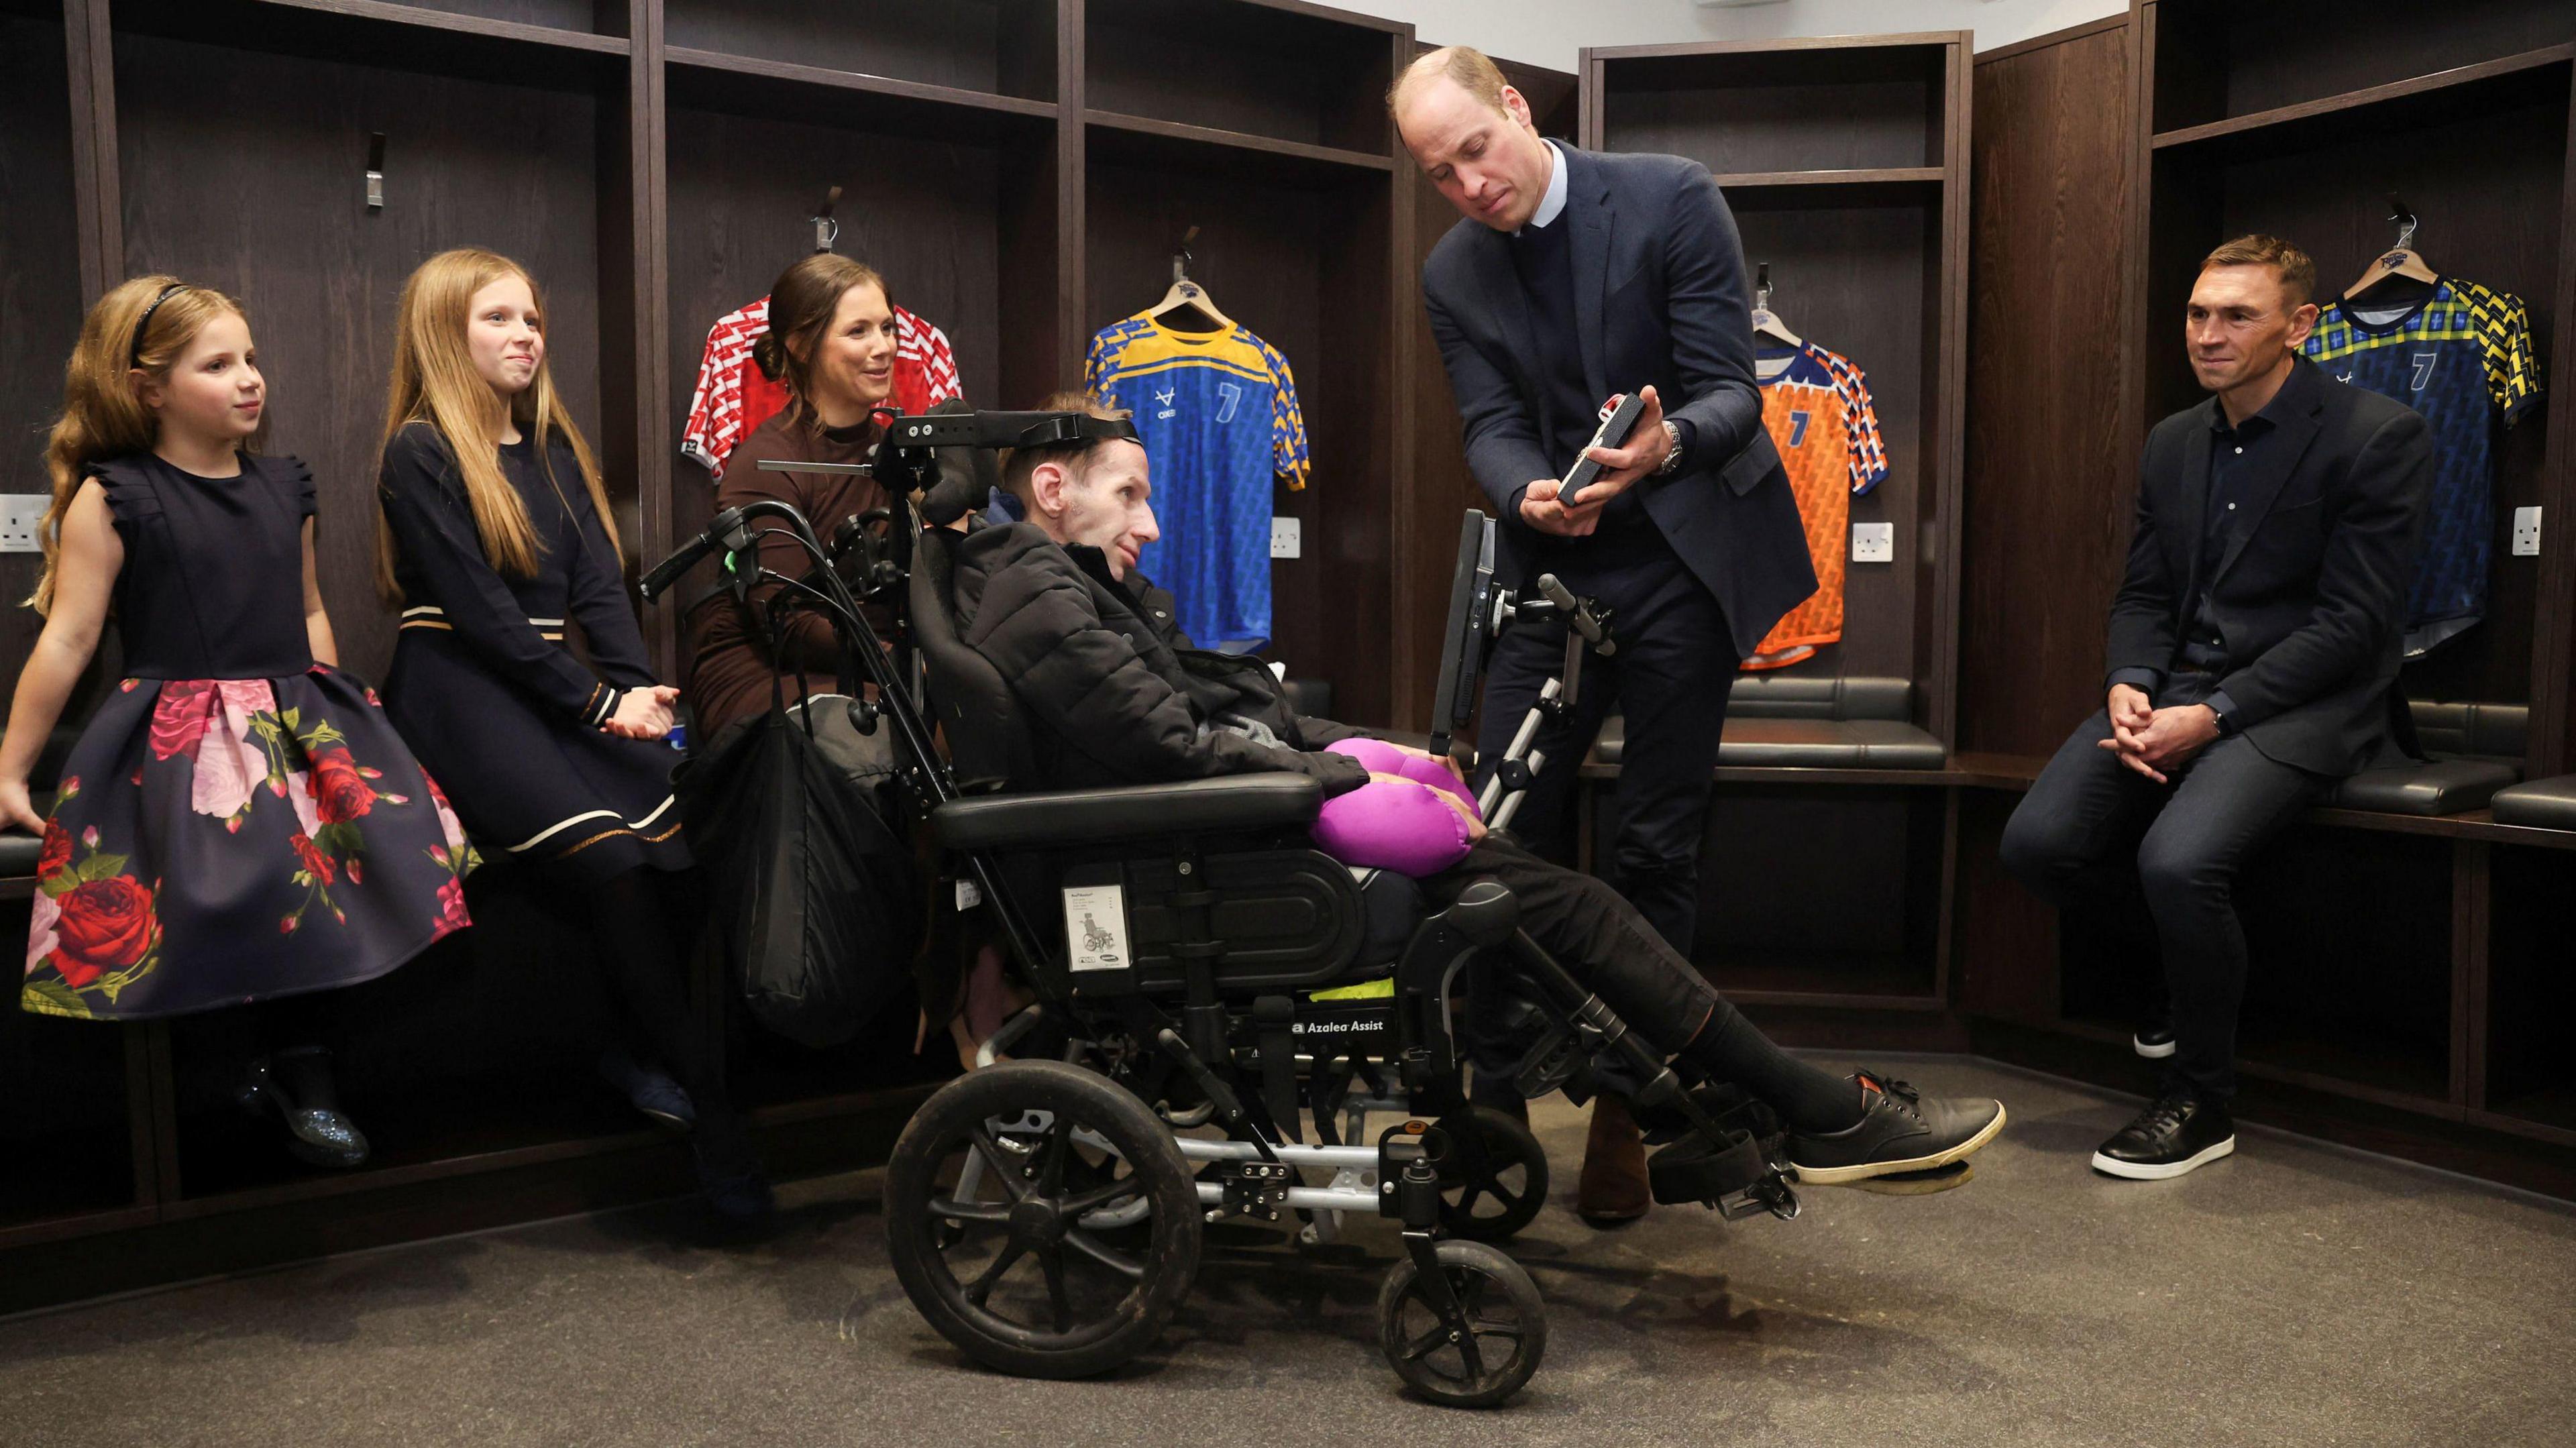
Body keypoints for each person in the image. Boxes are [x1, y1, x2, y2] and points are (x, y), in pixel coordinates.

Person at [948, 396, 2004, 1192]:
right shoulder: (1039, 595)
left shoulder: (1069, 587)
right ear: (1054, 488)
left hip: (1214, 841)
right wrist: (1345, 774)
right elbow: (1177, 743)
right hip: (1186, 865)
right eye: (1129, 493)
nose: (1152, 522)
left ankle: (1735, 1109)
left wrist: (1390, 749)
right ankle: (1807, 1106)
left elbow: (1225, 704)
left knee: (1548, 909)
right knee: (1568, 907)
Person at [1395, 46, 1820, 1217]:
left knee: (1655, 847)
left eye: (1477, 150)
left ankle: (1636, 1107)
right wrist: (1524, 489)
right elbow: (1485, 424)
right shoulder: (1451, 273)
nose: (1471, 185)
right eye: (1442, 174)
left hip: (1684, 556)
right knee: (1490, 833)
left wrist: (1659, 448)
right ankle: (1487, 1098)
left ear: (1515, 109)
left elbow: (1733, 394)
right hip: (1554, 565)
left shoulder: (1671, 194)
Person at [0, 276, 475, 1168]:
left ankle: (302, 1064)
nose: (249, 378)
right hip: (180, 742)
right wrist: (6, 770)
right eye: (218, 364)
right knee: (248, 865)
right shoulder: (118, 495)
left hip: (294, 716)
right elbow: (68, 638)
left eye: (250, 359)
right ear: (149, 388)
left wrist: (338, 721)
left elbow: (306, 613)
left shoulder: (284, 484)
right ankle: (255, 1072)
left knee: (366, 851)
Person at [2000, 235, 2435, 1180]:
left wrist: (2219, 712)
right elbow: (2147, 594)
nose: (2209, 333)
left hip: (2312, 702)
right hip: (2181, 690)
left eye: (2237, 315)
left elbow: (2357, 627)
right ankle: (2182, 971)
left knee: (2179, 857)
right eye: (2199, 313)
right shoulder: (2174, 440)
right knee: (2036, 844)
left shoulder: (2375, 435)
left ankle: (2201, 1099)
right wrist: (2131, 682)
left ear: (2298, 325)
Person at [371, 247, 765, 1223]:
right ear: (442, 336)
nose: (524, 336)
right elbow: (478, 612)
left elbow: (599, 591)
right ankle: (717, 1124)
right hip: (459, 683)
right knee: (614, 860)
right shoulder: (419, 450)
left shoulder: (553, 445)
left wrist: (641, 702)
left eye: (532, 319)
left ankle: (629, 1048)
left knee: (689, 844)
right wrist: (601, 707)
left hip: (556, 687)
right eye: (497, 319)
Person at [685, 252, 903, 743]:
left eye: (888, 328)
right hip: (771, 666)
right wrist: (904, 660)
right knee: (898, 739)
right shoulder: (764, 463)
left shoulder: (900, 451)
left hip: (873, 658)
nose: (884, 347)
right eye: (859, 332)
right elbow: (786, 623)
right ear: (803, 346)